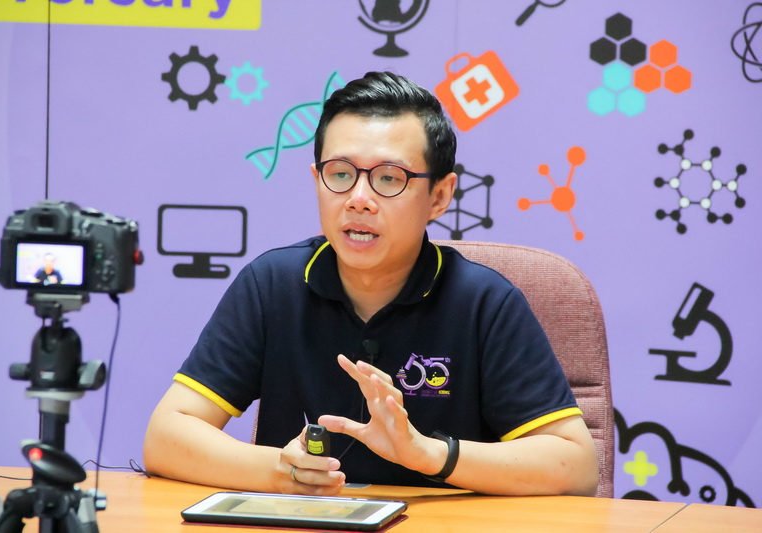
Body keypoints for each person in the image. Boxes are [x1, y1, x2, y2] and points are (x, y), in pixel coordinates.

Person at [144, 71, 599, 497]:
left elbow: (576, 466)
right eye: (341, 174)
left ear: (439, 195)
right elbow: (166, 436)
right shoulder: (272, 285)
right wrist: (280, 471)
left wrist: (426, 453)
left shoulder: (484, 302)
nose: (359, 200)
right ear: (317, 179)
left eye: (389, 178)